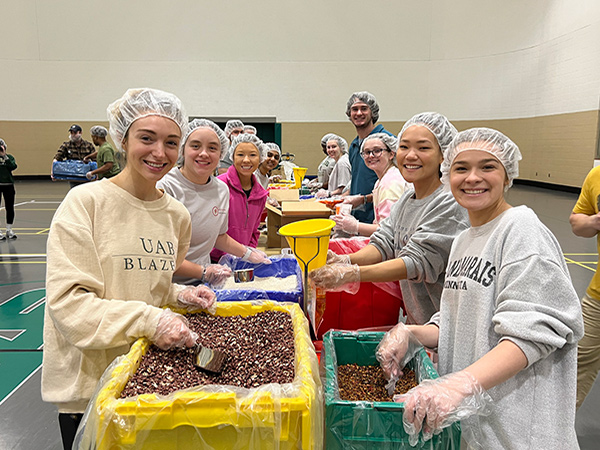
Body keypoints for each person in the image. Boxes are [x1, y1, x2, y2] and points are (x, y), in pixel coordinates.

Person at [377, 128, 584, 449]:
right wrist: (413, 334)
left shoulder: (521, 231)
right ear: (448, 174)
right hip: (477, 427)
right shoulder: (464, 240)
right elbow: (458, 318)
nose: (473, 177)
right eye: (461, 168)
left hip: (520, 434)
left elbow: (532, 333)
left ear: (508, 175)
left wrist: (458, 385)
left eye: (487, 167)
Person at [42, 88, 217, 450]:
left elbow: (146, 283)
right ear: (122, 139)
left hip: (150, 382)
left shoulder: (175, 215)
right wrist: (151, 321)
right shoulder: (86, 203)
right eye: (146, 138)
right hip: (91, 390)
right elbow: (69, 306)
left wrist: (180, 293)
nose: (159, 153)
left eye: (171, 142)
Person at [309, 112, 469, 325]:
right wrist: (346, 260)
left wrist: (351, 275)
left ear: (444, 155)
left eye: (423, 148)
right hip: (418, 318)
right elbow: (384, 242)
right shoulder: (406, 199)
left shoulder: (448, 203)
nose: (411, 155)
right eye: (404, 147)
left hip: (445, 324)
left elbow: (415, 262)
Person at [157, 118, 270, 285]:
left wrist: (248, 254)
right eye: (195, 146)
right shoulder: (166, 187)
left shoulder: (220, 190)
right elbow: (156, 254)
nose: (204, 153)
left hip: (204, 283)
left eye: (212, 148)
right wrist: (203, 271)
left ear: (221, 154)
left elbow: (219, 236)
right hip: (166, 284)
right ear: (182, 149)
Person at [331, 133, 410, 237]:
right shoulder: (383, 179)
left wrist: (355, 226)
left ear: (391, 154)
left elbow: (389, 231)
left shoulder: (390, 183)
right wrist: (362, 199)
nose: (371, 156)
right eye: (367, 152)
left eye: (377, 151)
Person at [211, 133, 268, 263]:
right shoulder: (218, 186)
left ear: (260, 158)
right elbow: (210, 229)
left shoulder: (260, 195)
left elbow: (254, 231)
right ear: (232, 157)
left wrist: (249, 253)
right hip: (214, 260)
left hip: (243, 259)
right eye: (240, 154)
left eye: (253, 155)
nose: (246, 160)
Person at [570, 164, 600, 408]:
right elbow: (577, 221)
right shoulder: (597, 175)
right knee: (575, 362)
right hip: (597, 298)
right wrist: (595, 221)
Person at [344, 91, 394, 224]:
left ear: (373, 112)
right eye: (354, 109)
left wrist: (363, 200)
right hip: (357, 218)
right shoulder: (354, 146)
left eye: (364, 108)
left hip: (380, 220)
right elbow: (358, 181)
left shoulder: (387, 143)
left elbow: (397, 185)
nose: (359, 113)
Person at [52, 124, 96, 188]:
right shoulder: (66, 145)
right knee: (74, 191)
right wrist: (53, 172)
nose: (73, 135)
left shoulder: (88, 146)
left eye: (75, 133)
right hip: (73, 176)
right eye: (71, 133)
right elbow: (57, 158)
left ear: (80, 133)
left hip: (86, 175)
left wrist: (96, 173)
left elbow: (95, 160)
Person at [0, 138, 17, 240]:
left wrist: (4, 156)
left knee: (9, 207)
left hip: (8, 185)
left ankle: (9, 229)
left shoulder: (9, 157)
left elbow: (13, 166)